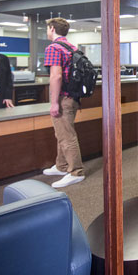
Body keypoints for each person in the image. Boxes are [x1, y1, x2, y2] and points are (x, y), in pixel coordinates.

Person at [42, 17, 85, 188]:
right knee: (62, 132)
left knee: (67, 135)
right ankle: (62, 166)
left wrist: (54, 102)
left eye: (47, 28)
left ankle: (76, 171)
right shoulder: (72, 47)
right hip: (73, 97)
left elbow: (56, 76)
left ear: (52, 29)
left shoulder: (54, 47)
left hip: (63, 97)